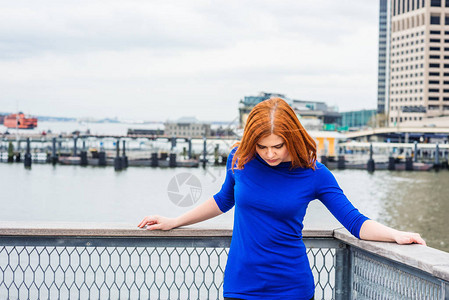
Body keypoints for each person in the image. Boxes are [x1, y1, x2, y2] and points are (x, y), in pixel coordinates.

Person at [138, 98, 426, 300]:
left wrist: (396, 235)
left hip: (291, 287)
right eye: (262, 146)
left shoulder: (315, 174)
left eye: (278, 145)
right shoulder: (240, 159)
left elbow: (354, 221)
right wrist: (174, 220)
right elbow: (224, 199)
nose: (270, 153)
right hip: (241, 283)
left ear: (292, 138)